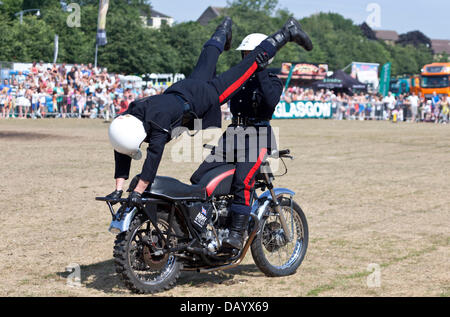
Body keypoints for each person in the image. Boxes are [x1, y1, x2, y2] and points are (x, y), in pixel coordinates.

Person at [106, 17, 313, 210]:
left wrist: (137, 191)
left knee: (250, 64)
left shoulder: (154, 123)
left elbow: (152, 161)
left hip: (204, 97)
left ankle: (286, 32)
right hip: (184, 89)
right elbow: (121, 149)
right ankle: (222, 31)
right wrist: (118, 188)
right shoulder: (130, 116)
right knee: (207, 59)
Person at [190, 32, 283, 250]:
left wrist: (259, 71)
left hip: (258, 135)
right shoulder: (239, 78)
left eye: (252, 54)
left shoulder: (271, 80)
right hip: (233, 134)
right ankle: (202, 229)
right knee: (199, 179)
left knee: (243, 181)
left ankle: (236, 234)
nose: (247, 58)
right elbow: (215, 90)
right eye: (245, 54)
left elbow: (270, 102)